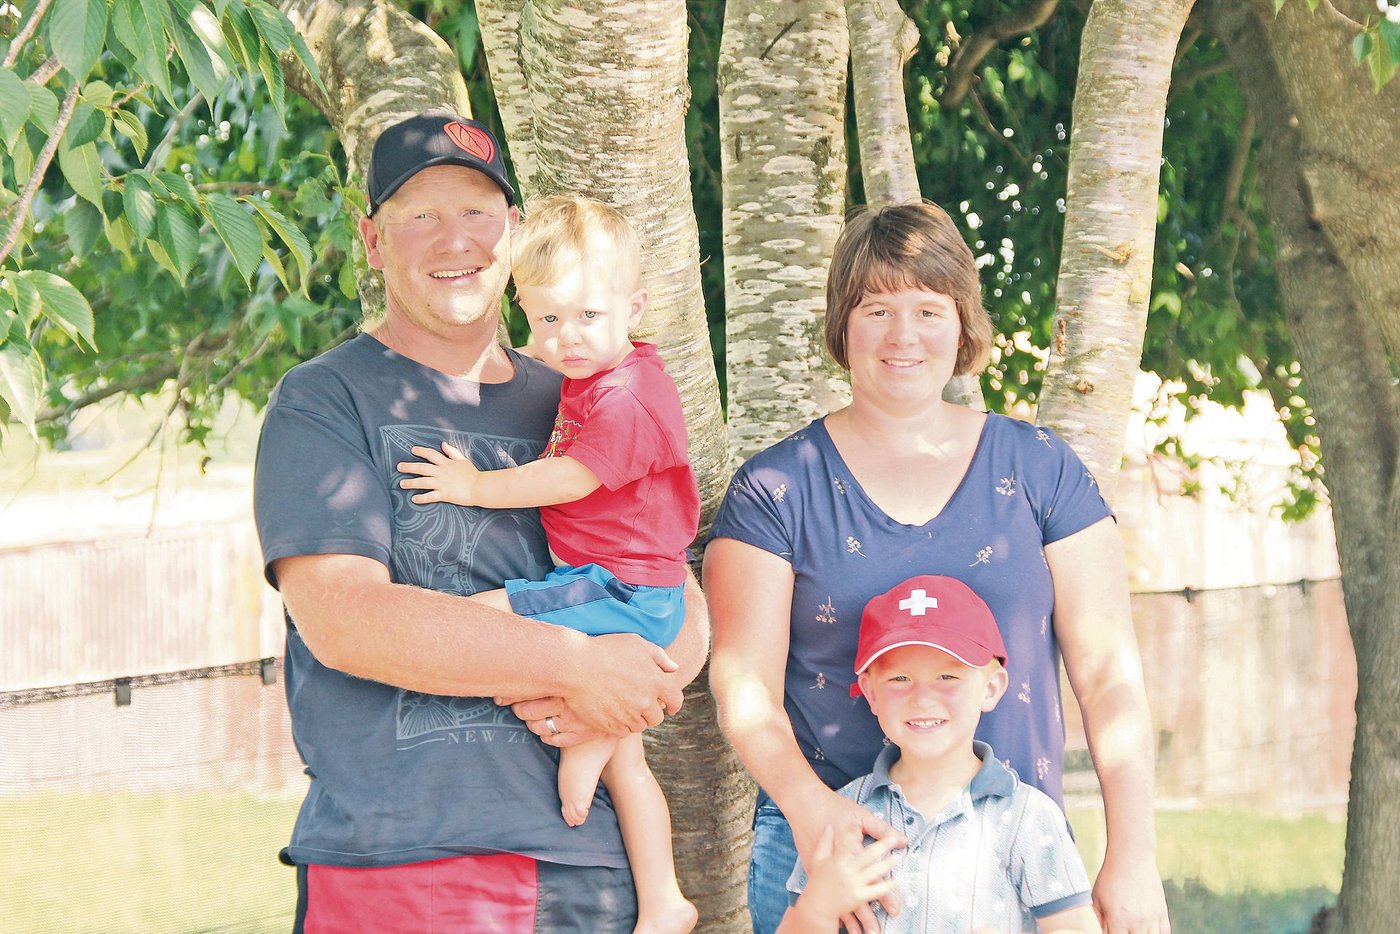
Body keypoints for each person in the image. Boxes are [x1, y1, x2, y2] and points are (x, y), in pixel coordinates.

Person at [253, 112, 706, 933]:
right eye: (419, 215)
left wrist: (645, 674)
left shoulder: (585, 391)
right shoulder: (325, 400)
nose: (453, 239)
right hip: (403, 853)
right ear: (373, 241)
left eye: (476, 213)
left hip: (588, 863)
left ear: (515, 232)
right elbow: (347, 621)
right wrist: (577, 664)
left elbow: (674, 580)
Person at [704, 201, 1169, 934]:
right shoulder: (775, 489)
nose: (903, 336)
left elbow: (1108, 676)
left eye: (927, 308)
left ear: (962, 324)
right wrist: (813, 812)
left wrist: (1133, 855)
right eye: (876, 309)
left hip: (1014, 865)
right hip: (836, 866)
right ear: (842, 326)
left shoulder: (1040, 469)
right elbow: (743, 688)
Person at [395, 194, 700, 933]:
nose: (567, 340)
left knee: (476, 621)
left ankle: (583, 746)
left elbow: (569, 479)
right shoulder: (598, 365)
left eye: (588, 318)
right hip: (628, 589)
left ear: (636, 306)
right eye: (547, 320)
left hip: (620, 592)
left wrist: (472, 488)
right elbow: (553, 355)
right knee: (628, 758)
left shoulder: (629, 397)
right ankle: (665, 902)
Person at [777, 575, 1101, 934]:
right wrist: (819, 906)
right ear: (870, 692)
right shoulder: (845, 817)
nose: (923, 698)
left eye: (947, 677)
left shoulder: (1027, 817)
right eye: (899, 679)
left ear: (991, 688)